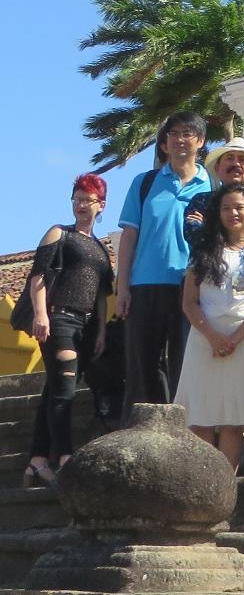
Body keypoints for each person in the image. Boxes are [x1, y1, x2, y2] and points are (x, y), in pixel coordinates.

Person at [173, 184, 244, 469]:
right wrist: (213, 336)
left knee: (234, 421)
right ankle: (200, 486)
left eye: (239, 207)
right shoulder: (204, 250)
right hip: (205, 339)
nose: (233, 213)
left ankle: (224, 489)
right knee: (201, 418)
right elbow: (190, 302)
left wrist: (234, 338)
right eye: (225, 208)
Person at [116, 111, 213, 409]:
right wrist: (122, 287)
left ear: (200, 141)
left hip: (191, 286)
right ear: (164, 143)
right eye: (173, 134)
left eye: (188, 133)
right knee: (141, 367)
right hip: (145, 283)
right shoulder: (144, 183)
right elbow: (129, 237)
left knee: (186, 364)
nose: (180, 139)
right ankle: (141, 436)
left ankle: (182, 435)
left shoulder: (212, 186)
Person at [23, 175, 115, 486]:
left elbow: (103, 294)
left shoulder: (101, 249)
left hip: (87, 326)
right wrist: (40, 314)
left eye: (86, 199)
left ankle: (36, 462)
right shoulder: (59, 233)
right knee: (64, 391)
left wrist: (101, 330)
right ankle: (64, 458)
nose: (80, 205)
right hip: (58, 317)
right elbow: (38, 276)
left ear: (100, 205)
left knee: (54, 390)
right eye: (76, 198)